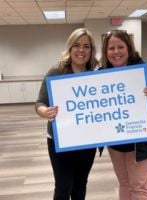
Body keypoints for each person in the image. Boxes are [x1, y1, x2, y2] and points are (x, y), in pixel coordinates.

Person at [99, 30, 147, 200]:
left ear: (129, 48)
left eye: (121, 47)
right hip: (117, 141)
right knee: (125, 184)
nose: (116, 52)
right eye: (111, 48)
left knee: (139, 188)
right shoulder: (101, 74)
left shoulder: (145, 70)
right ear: (105, 52)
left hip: (144, 140)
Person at [35, 28, 98, 200]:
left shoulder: (97, 74)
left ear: (91, 50)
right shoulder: (56, 71)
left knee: (80, 184)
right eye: (77, 45)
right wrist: (45, 112)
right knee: (63, 186)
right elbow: (40, 103)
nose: (81, 50)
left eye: (86, 46)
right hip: (59, 139)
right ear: (70, 48)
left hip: (87, 140)